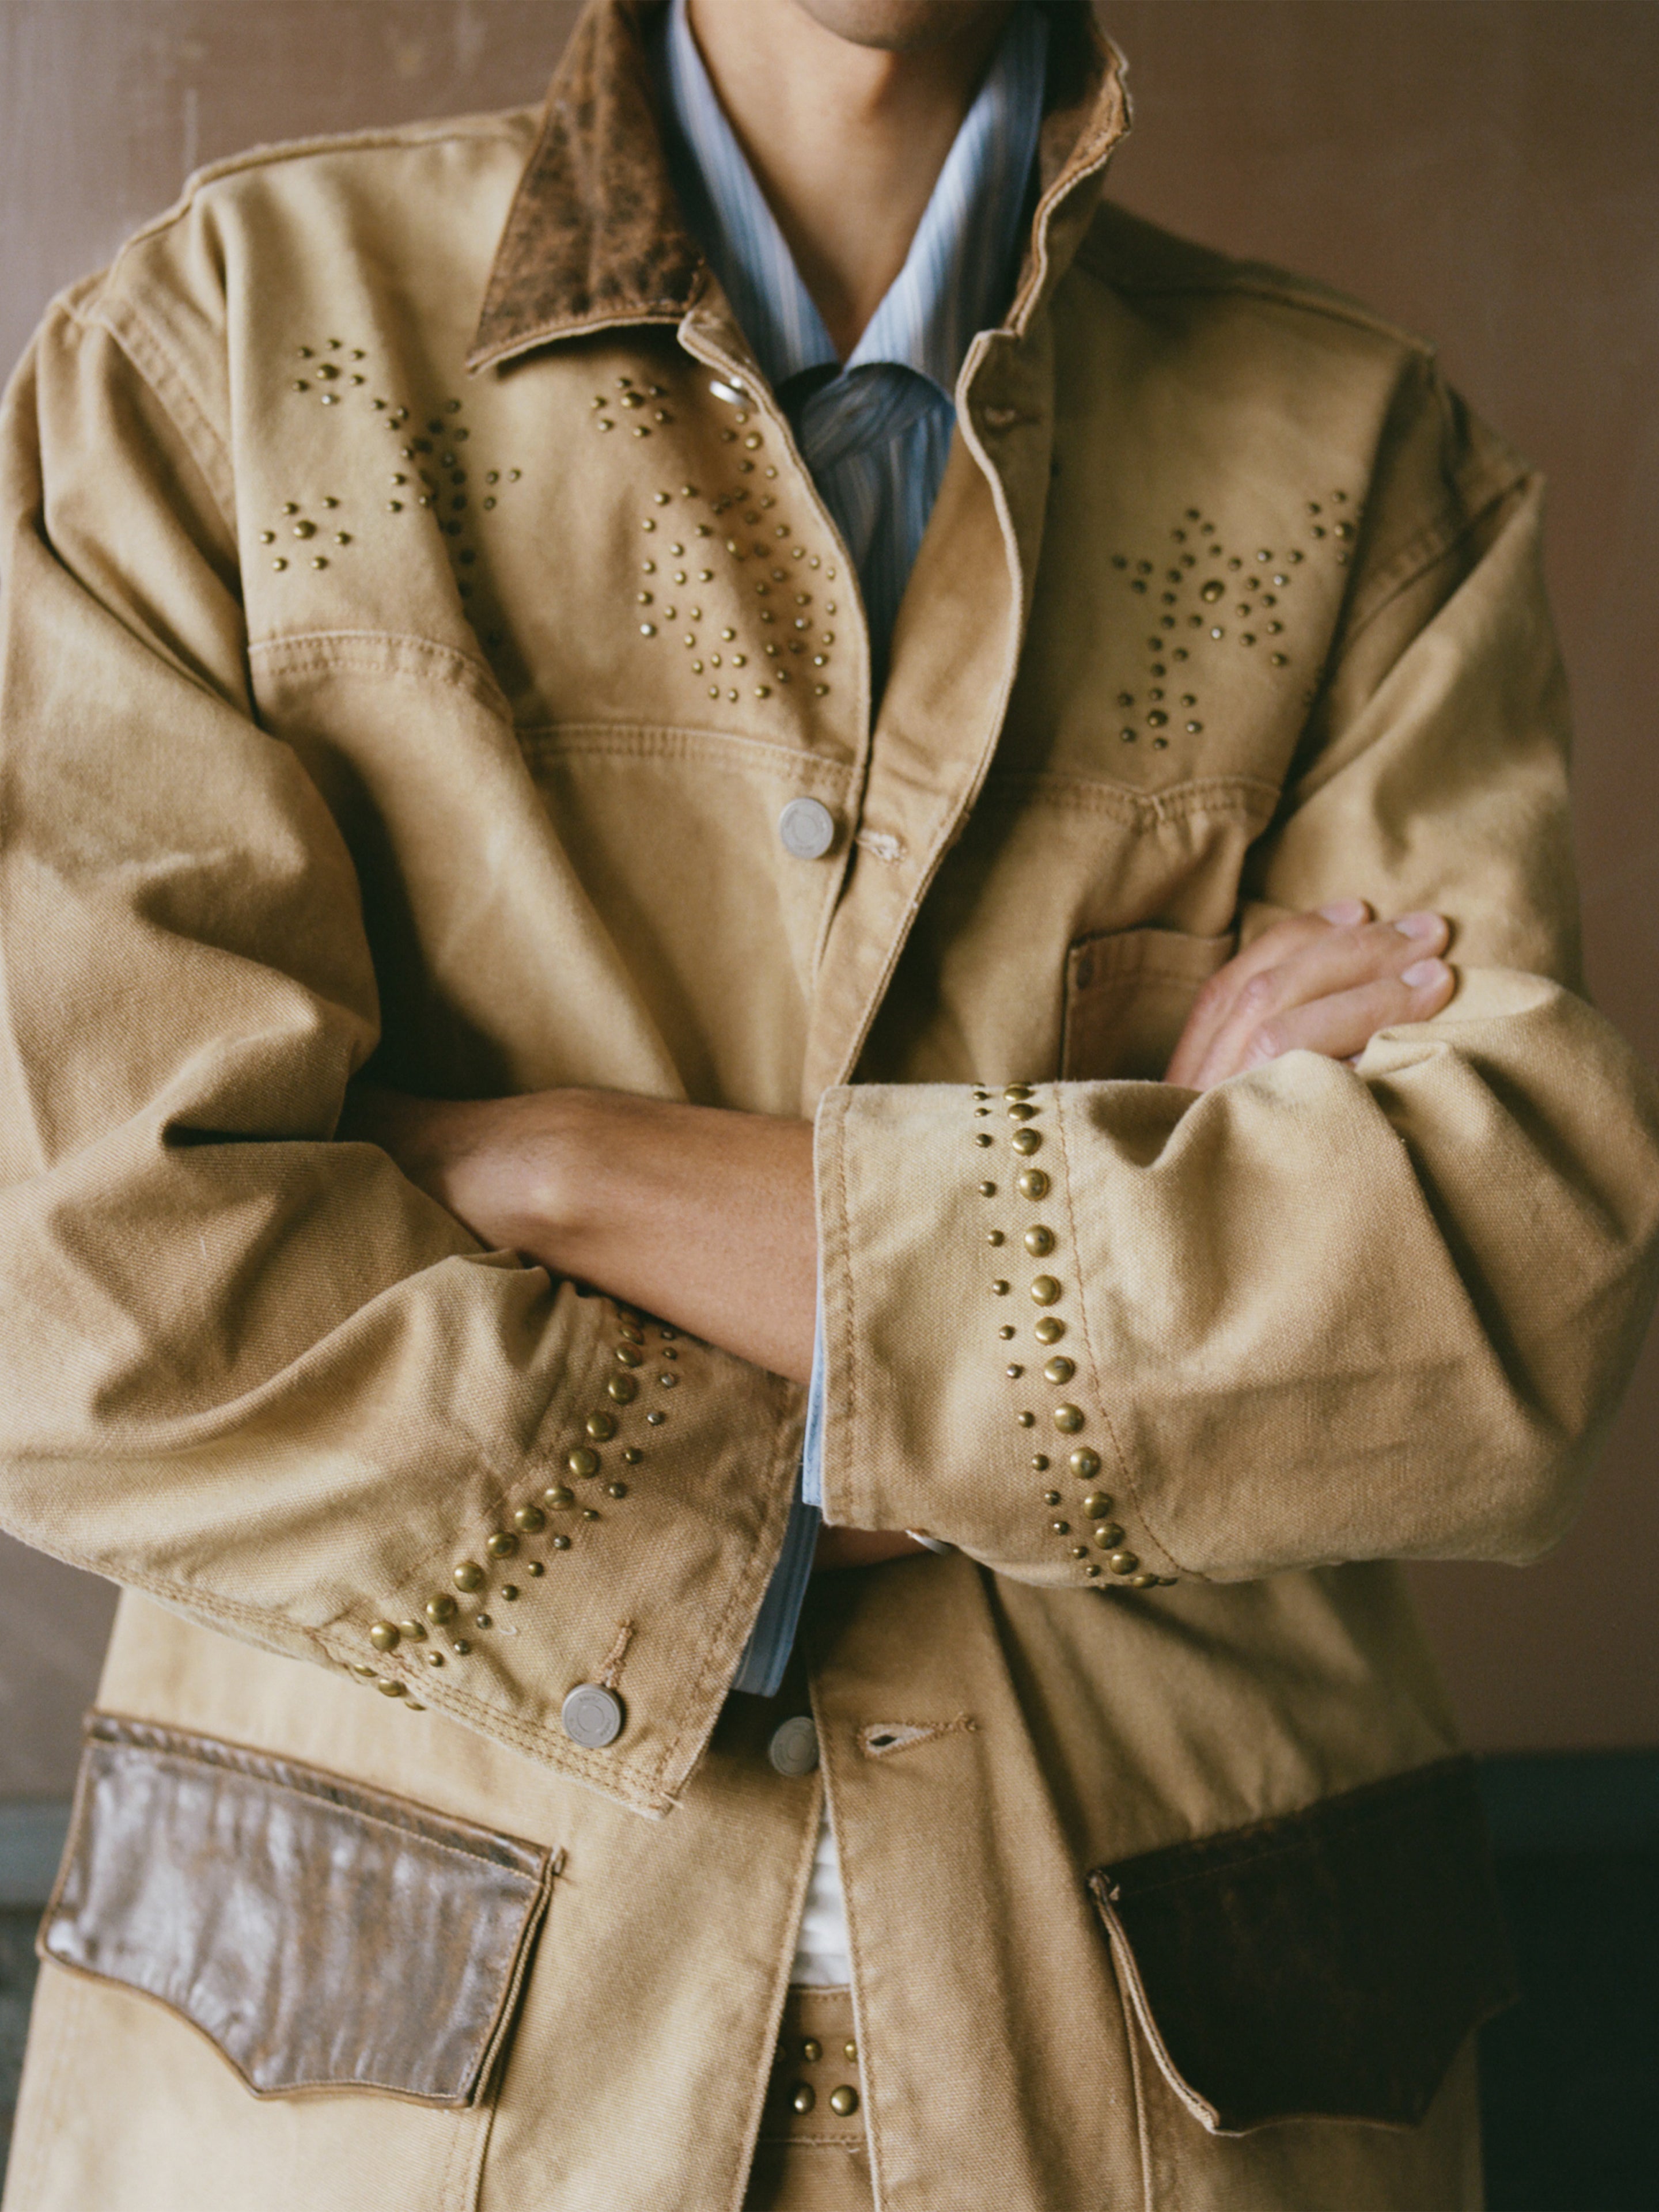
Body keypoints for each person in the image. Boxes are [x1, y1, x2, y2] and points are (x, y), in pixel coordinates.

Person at [1, 0, 1655, 2205]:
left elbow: (1485, 1312)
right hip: (366, 2096)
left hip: (1167, 2097)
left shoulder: (1360, 460)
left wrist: (536, 1161)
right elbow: (89, 1271)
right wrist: (1101, 1264)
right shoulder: (225, 346)